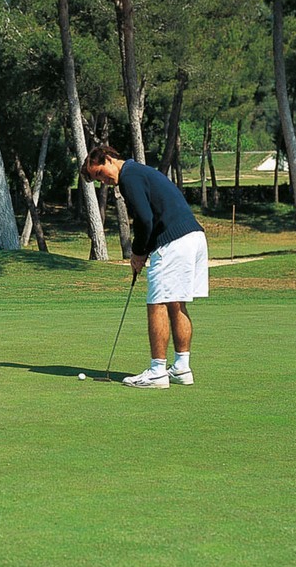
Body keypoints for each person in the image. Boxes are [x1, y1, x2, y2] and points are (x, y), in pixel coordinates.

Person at [81, 145, 208, 388]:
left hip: (174, 240)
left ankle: (158, 372)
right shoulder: (139, 172)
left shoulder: (129, 176)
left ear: (109, 158)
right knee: (175, 302)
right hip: (193, 237)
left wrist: (138, 252)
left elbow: (145, 220)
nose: (104, 181)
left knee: (157, 302)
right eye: (98, 179)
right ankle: (181, 368)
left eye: (100, 173)